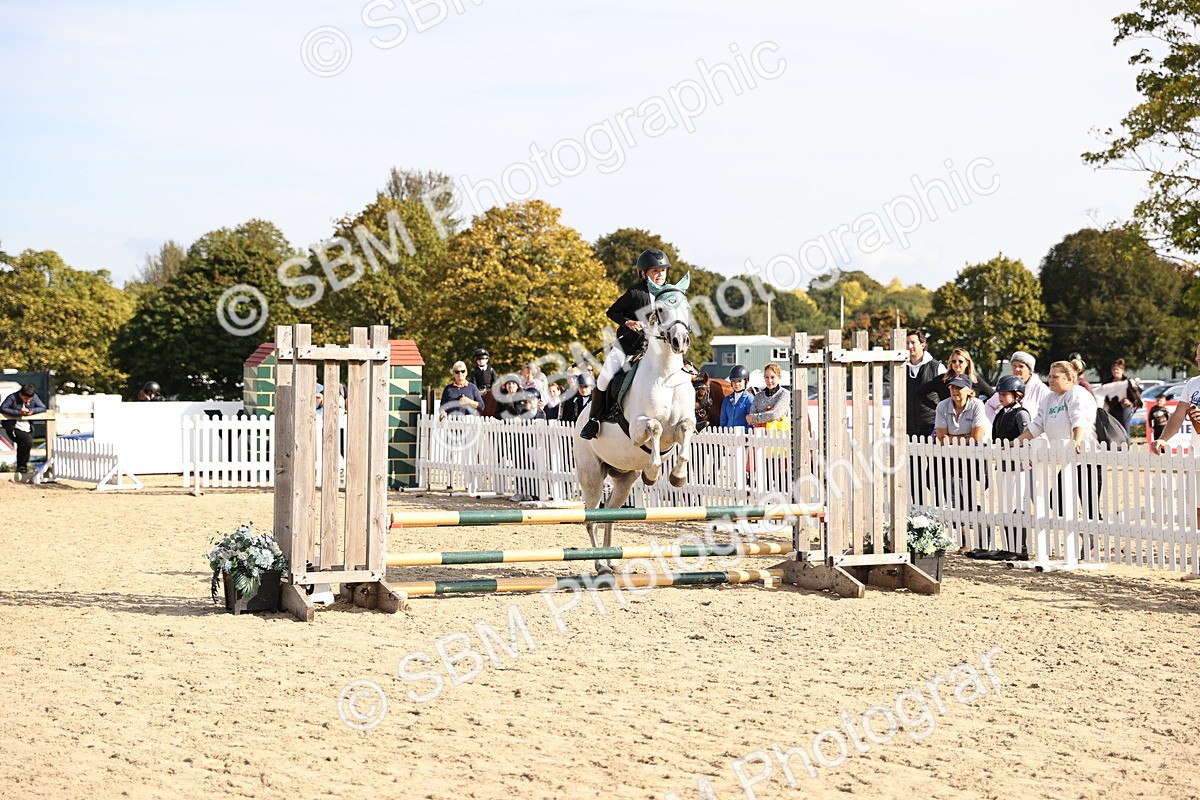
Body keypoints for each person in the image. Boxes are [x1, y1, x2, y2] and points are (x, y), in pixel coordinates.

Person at [581, 249, 670, 439]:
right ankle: (594, 420)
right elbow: (612, 312)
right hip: (630, 346)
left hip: (659, 349)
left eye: (663, 270)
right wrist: (628, 322)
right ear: (644, 273)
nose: (660, 274)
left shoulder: (670, 294)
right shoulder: (635, 292)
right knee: (604, 378)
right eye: (655, 271)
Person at [1019, 360, 1102, 521]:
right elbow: (1037, 425)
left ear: (1069, 379)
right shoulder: (1050, 398)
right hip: (1069, 460)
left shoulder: (1077, 394)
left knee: (1089, 505)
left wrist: (1076, 442)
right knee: (1055, 499)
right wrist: (1017, 441)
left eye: (1055, 377)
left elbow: (1079, 419)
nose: (1050, 380)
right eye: (1049, 376)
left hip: (1087, 459)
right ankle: (1078, 527)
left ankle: (1094, 538)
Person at [1154, 342, 1200, 537]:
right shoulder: (1193, 383)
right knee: (1198, 508)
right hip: (1197, 454)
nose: (1197, 359)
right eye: (1197, 355)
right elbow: (1178, 415)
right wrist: (1164, 438)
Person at [991, 375, 1031, 556]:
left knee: (1016, 505)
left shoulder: (1021, 413)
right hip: (1004, 465)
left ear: (1017, 395)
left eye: (1005, 394)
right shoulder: (1001, 413)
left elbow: (1026, 439)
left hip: (1019, 467)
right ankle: (1009, 546)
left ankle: (1020, 547)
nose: (1000, 397)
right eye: (1000, 393)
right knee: (1005, 506)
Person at [918, 347, 993, 416]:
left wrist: (979, 407)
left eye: (960, 361)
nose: (957, 364)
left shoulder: (975, 380)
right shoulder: (943, 379)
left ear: (967, 363)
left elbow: (993, 395)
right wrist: (937, 407)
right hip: (947, 421)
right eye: (954, 361)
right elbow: (920, 393)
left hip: (969, 421)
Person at [984, 351, 1049, 422]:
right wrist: (997, 422)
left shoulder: (1041, 389)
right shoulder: (1006, 384)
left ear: (1030, 370)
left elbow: (1048, 414)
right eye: (1014, 366)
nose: (1016, 369)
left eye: (1021, 366)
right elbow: (989, 405)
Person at [905, 330, 946, 438]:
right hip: (906, 426)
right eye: (907, 343)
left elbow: (946, 397)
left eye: (913, 342)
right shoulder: (900, 368)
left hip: (931, 425)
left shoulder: (937, 367)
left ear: (923, 344)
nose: (909, 346)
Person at [1, 383, 47, 474]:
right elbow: (3, 408)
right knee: (27, 442)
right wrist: (19, 412)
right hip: (14, 427)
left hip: (28, 427)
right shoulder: (12, 397)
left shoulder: (34, 397)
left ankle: (21, 467)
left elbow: (42, 407)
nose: (28, 401)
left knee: (25, 446)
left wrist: (31, 411)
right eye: (26, 399)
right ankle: (22, 466)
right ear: (20, 394)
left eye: (30, 399)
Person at [720, 365, 754, 431]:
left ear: (746, 381)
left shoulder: (749, 400)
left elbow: (750, 422)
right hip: (728, 435)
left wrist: (746, 435)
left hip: (742, 435)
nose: (736, 384)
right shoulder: (726, 400)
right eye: (734, 381)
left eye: (739, 381)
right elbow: (723, 419)